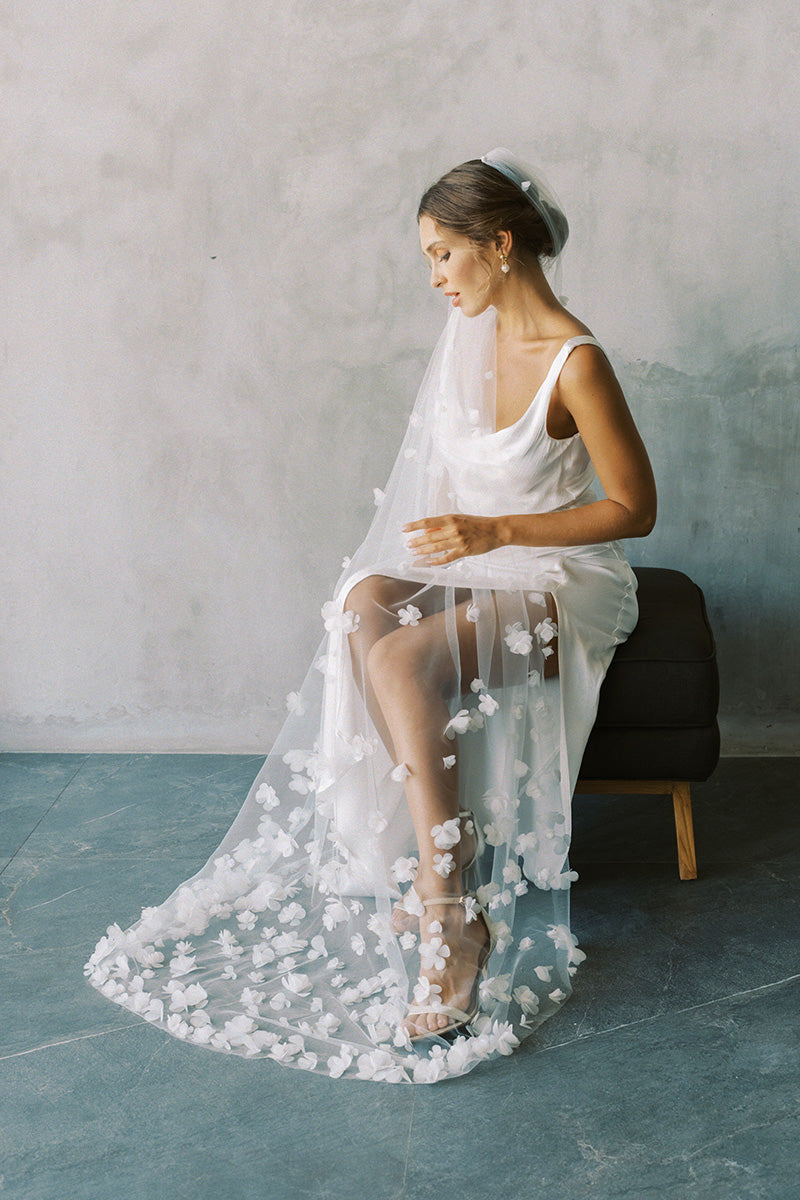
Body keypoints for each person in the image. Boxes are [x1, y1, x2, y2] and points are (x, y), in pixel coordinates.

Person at [85, 149, 656, 1084]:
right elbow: (433, 509)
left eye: (443, 256)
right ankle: (419, 851)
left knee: (402, 663)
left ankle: (448, 900)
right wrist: (444, 548)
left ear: (499, 245)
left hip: (563, 577)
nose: (434, 279)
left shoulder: (573, 361)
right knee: (359, 604)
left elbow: (634, 508)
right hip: (486, 558)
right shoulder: (465, 338)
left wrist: (493, 528)